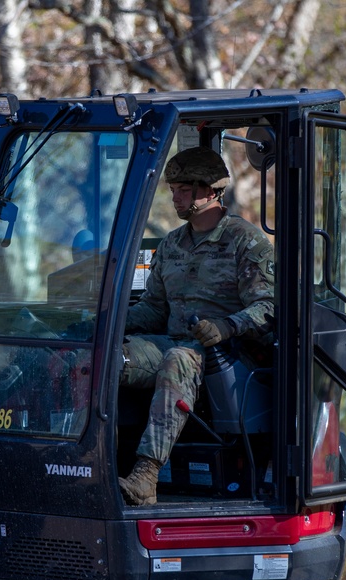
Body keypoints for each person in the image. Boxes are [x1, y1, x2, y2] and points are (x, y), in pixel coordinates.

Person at [118, 146, 275, 506]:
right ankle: (99, 464)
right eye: (172, 189)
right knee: (111, 359)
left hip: (225, 355)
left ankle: (146, 476)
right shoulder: (172, 244)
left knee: (178, 358)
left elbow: (267, 308)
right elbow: (153, 308)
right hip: (172, 341)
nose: (175, 197)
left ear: (210, 189)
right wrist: (107, 326)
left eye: (183, 189)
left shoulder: (244, 241)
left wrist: (226, 326)